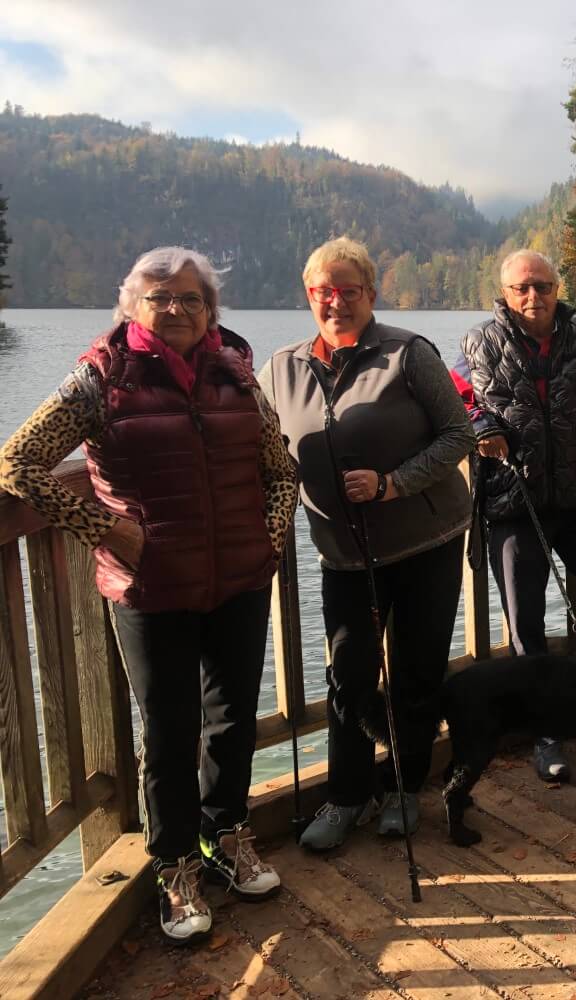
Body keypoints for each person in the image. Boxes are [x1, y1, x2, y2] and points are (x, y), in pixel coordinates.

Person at [0, 247, 297, 944]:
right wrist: (107, 529)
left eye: (191, 299)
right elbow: (16, 463)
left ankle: (224, 836)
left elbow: (280, 469)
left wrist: (272, 539)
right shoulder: (99, 380)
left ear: (211, 311)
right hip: (150, 586)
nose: (176, 309)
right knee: (168, 731)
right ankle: (172, 864)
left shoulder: (236, 373)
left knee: (231, 721)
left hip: (239, 579)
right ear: (131, 306)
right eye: (160, 297)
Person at [260, 236, 475, 849]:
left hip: (427, 541)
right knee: (349, 673)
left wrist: (391, 484)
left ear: (370, 295)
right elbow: (254, 444)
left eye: (349, 291)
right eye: (324, 292)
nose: (336, 302)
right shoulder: (282, 367)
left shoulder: (408, 353)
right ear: (309, 297)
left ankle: (405, 787)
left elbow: (459, 434)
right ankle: (346, 795)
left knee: (415, 669)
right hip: (345, 555)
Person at [453, 249, 576, 783]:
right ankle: (545, 731)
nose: (534, 297)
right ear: (504, 294)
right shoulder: (476, 343)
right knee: (525, 619)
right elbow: (456, 399)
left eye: (544, 286)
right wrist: (481, 425)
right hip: (514, 503)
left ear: (558, 288)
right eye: (522, 288)